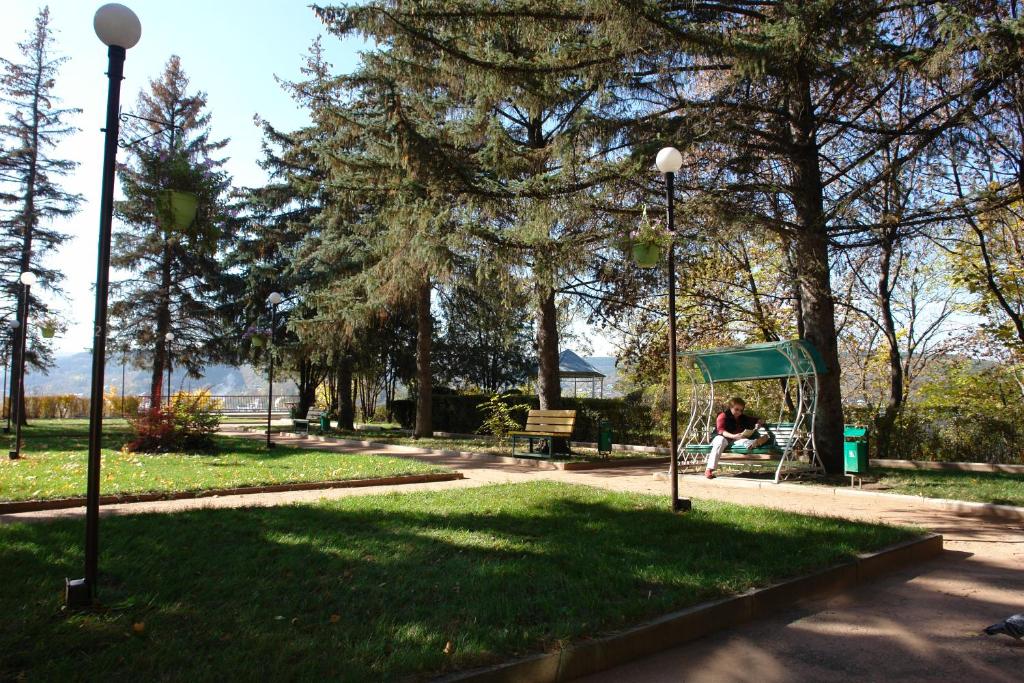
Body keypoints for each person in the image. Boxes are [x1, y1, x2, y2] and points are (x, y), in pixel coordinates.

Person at [705, 397, 771, 479]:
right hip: (721, 437)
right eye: (736, 409)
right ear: (730, 407)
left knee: (744, 440)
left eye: (741, 410)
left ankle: (754, 443)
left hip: (735, 439)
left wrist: (759, 423)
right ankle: (709, 469)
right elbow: (721, 431)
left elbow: (758, 419)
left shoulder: (743, 417)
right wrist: (734, 436)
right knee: (720, 441)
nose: (739, 412)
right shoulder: (723, 415)